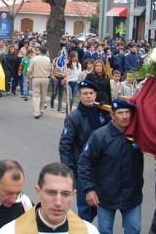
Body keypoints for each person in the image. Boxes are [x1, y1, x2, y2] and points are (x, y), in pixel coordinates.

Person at [78, 99, 143, 234]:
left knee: (134, 229)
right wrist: (89, 189)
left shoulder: (138, 135)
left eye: (127, 112)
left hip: (132, 195)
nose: (125, 116)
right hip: (106, 196)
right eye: (120, 113)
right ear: (112, 115)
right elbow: (85, 163)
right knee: (105, 231)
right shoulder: (99, 136)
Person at [0, 162, 99, 234]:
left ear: (73, 195)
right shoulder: (11, 231)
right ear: (38, 192)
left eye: (65, 193)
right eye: (51, 192)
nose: (58, 202)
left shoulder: (89, 231)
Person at [59, 80, 107, 222]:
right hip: (82, 169)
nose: (88, 96)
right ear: (79, 96)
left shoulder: (101, 113)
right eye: (85, 94)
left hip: (101, 168)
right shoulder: (74, 117)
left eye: (91, 93)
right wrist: (71, 170)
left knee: (99, 205)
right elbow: (65, 145)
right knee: (85, 208)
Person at [27, 46, 51, 119]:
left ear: (40, 51)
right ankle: (41, 110)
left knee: (36, 95)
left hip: (36, 78)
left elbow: (29, 70)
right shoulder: (48, 59)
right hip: (45, 78)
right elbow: (50, 69)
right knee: (43, 95)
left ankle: (36, 112)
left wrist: (28, 78)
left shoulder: (34, 59)